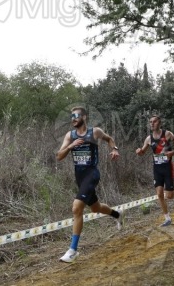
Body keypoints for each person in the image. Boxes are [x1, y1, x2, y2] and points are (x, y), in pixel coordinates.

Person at [56, 106, 123, 263]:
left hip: (92, 174)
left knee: (76, 208)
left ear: (84, 117)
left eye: (77, 116)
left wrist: (114, 149)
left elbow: (109, 139)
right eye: (71, 116)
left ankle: (73, 250)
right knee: (95, 208)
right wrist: (71, 146)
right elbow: (59, 156)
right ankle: (118, 214)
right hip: (79, 177)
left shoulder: (94, 132)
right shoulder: (70, 135)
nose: (73, 118)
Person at [136, 115, 174, 227]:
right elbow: (142, 152)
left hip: (167, 168)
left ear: (160, 123)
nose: (152, 123)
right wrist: (139, 151)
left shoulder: (167, 134)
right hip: (157, 169)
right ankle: (167, 218)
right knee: (159, 194)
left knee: (170, 196)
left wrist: (172, 152)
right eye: (150, 122)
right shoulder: (148, 139)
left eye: (154, 121)